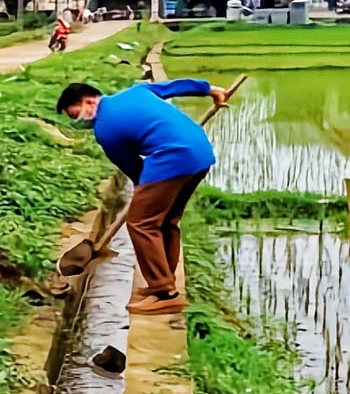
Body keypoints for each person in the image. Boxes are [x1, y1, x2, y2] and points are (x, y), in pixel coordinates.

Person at [56, 79, 230, 315]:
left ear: (88, 101)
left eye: (77, 115)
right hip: (200, 154)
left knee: (141, 223)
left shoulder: (105, 129)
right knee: (166, 221)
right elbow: (177, 86)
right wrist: (212, 90)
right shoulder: (137, 91)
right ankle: (164, 280)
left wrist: (146, 191)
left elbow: (133, 167)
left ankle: (164, 293)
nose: (81, 122)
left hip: (173, 159)